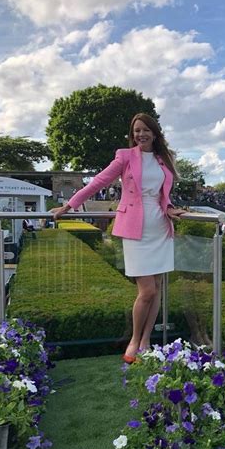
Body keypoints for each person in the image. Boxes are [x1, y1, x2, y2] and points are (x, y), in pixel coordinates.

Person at [51, 113, 185, 363]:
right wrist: (69, 205)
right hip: (135, 228)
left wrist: (170, 208)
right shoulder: (125, 156)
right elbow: (99, 181)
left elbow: (161, 194)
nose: (141, 134)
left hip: (160, 227)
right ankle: (134, 340)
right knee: (146, 291)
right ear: (132, 134)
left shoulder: (162, 160)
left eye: (145, 130)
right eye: (136, 131)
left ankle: (146, 340)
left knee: (156, 290)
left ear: (155, 133)